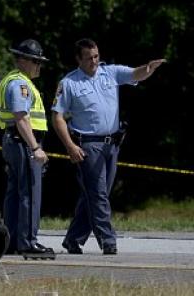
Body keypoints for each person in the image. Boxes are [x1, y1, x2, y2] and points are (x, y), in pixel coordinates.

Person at [52, 38, 165, 255]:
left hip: (112, 144)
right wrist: (69, 146)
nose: (94, 61)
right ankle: (108, 239)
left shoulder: (110, 72)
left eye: (96, 56)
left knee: (95, 194)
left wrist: (148, 68)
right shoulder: (69, 83)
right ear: (78, 59)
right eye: (89, 58)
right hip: (88, 146)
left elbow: (134, 74)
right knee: (98, 195)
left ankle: (73, 239)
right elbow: (57, 117)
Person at [0, 39, 54, 257]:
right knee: (30, 193)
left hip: (14, 141)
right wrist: (35, 147)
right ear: (23, 61)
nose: (39, 66)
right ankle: (28, 242)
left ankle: (14, 240)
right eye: (36, 61)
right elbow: (21, 117)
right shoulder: (21, 84)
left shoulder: (13, 80)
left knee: (15, 194)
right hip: (23, 142)